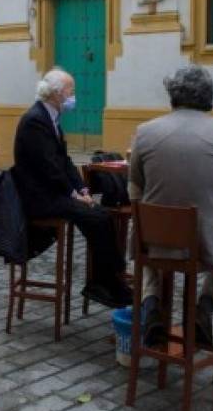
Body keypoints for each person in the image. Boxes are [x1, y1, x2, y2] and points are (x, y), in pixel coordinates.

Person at [128, 66, 213, 346]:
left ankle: (151, 303)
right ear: (209, 97)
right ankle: (205, 306)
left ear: (172, 94)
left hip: (156, 239)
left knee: (138, 238)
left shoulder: (144, 132)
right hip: (206, 242)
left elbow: (135, 188)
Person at [13, 68, 129, 309]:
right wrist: (73, 194)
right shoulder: (35, 120)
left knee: (99, 216)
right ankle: (106, 280)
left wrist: (82, 189)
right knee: (98, 218)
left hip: (52, 192)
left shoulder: (51, 118)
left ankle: (105, 279)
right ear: (56, 93)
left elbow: (64, 161)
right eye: (70, 90)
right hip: (39, 198)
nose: (73, 95)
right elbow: (49, 167)